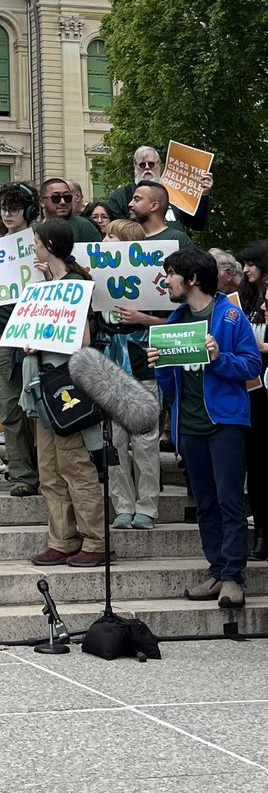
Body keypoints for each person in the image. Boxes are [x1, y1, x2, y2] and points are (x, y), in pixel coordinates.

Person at [149, 248, 261, 608]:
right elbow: (169, 383)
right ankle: (217, 569)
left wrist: (219, 358)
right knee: (206, 503)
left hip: (225, 423)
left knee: (230, 500)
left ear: (192, 279)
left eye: (171, 274)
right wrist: (159, 364)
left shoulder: (229, 316)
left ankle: (233, 577)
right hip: (191, 425)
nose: (167, 280)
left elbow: (251, 366)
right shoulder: (176, 321)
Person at [23, 218, 107, 566]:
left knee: (74, 465)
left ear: (50, 246)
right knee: (49, 468)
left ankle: (95, 540)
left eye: (37, 242)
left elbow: (83, 341)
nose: (33, 248)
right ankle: (62, 537)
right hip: (43, 386)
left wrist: (39, 341)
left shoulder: (75, 285)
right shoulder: (47, 285)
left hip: (66, 384)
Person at [97, 218, 161, 530]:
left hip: (142, 364)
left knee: (146, 442)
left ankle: (147, 506)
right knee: (115, 440)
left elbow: (174, 320)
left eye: (112, 236)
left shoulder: (154, 278)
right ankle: (122, 505)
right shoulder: (94, 274)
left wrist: (143, 317)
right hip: (111, 367)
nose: (105, 240)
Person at [0, 182, 40, 497]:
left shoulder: (41, 242)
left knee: (40, 406)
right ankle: (23, 473)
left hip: (36, 329)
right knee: (8, 405)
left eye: (15, 208)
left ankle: (46, 471)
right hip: (1, 330)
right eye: (4, 208)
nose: (8, 214)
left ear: (29, 211)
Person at [236, 241, 268, 560]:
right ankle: (261, 531)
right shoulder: (243, 300)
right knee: (256, 466)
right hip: (253, 392)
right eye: (243, 264)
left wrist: (261, 348)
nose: (245, 270)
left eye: (250, 263)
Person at [106, 145, 212, 231]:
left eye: (151, 164)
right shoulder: (121, 195)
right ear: (135, 167)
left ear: (159, 165)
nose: (147, 167)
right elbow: (111, 228)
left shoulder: (175, 193)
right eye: (142, 165)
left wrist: (204, 195)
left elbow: (198, 224)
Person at [128, 181, 193, 247]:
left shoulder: (178, 240)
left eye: (137, 199)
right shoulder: (127, 238)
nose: (130, 204)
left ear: (154, 206)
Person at [39, 178, 101, 242]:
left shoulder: (84, 226)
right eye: (55, 197)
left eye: (67, 197)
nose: (63, 202)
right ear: (42, 202)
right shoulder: (34, 230)